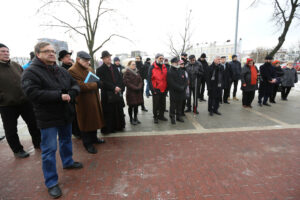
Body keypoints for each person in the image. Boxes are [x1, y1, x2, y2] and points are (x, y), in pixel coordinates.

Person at [21, 42, 83, 198]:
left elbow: (75, 85)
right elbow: (32, 93)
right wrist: (58, 96)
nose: (51, 53)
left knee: (66, 140)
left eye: (53, 51)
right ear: (38, 54)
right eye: (46, 51)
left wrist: (73, 93)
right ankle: (51, 182)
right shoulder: (30, 72)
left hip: (65, 113)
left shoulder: (61, 70)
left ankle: (68, 162)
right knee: (49, 150)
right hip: (47, 117)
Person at [0, 43, 41, 158]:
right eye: (2, 51)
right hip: (7, 105)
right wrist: (3, 97)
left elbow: (25, 79)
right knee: (11, 129)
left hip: (25, 102)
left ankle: (38, 143)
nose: (6, 53)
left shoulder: (15, 65)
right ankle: (17, 150)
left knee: (34, 124)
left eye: (7, 51)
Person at [68, 51, 105, 154]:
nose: (88, 63)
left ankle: (94, 138)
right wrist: (96, 85)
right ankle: (87, 143)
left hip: (94, 98)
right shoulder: (72, 71)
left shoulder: (89, 68)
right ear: (78, 59)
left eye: (88, 61)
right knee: (85, 122)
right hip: (83, 101)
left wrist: (98, 83)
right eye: (85, 61)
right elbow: (80, 86)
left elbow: (94, 80)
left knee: (94, 119)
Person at [96, 51, 126, 134]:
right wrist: (113, 88)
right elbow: (102, 82)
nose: (109, 58)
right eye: (106, 57)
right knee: (109, 112)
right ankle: (109, 128)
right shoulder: (100, 69)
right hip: (107, 94)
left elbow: (120, 78)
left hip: (117, 93)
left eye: (109, 56)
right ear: (103, 59)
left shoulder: (114, 67)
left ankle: (119, 126)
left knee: (118, 110)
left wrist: (120, 88)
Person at [59, 50, 81, 139]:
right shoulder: (62, 69)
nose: (69, 58)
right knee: (73, 115)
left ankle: (80, 129)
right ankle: (76, 132)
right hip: (69, 95)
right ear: (62, 59)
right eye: (67, 57)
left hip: (77, 92)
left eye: (69, 56)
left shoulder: (73, 66)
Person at [148, 53, 168, 123]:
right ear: (156, 59)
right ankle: (155, 117)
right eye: (160, 58)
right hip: (156, 89)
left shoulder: (164, 67)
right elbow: (149, 79)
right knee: (156, 104)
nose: (162, 60)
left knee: (163, 104)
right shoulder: (152, 67)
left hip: (164, 89)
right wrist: (152, 90)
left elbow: (166, 78)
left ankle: (161, 116)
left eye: (163, 58)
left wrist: (167, 88)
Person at [123, 60, 144, 125]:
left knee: (136, 106)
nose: (134, 65)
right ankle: (131, 119)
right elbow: (127, 83)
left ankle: (135, 118)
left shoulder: (137, 72)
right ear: (129, 65)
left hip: (137, 92)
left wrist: (140, 86)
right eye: (132, 64)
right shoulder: (127, 73)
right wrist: (136, 88)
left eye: (135, 64)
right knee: (131, 106)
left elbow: (141, 80)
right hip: (131, 93)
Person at [167, 57, 187, 124]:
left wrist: (184, 86)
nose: (178, 63)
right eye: (176, 62)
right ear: (172, 63)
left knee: (179, 105)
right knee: (173, 105)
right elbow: (171, 83)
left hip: (181, 91)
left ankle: (179, 116)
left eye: (178, 62)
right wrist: (179, 87)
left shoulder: (181, 70)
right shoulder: (170, 71)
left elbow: (185, 80)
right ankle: (172, 117)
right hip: (174, 92)